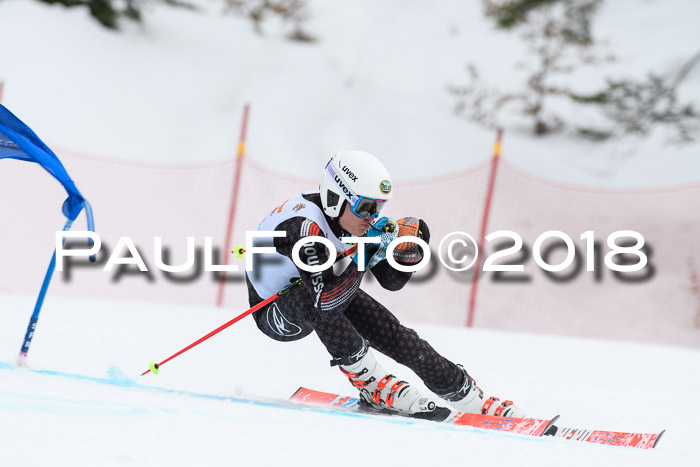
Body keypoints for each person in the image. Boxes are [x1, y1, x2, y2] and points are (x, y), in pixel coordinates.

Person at [245, 150, 525, 419]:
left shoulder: (352, 220)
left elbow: (390, 282)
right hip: (275, 313)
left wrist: (408, 253)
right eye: (366, 206)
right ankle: (372, 384)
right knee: (317, 298)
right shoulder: (303, 227)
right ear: (335, 198)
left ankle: (469, 398)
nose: (373, 216)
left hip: (319, 292)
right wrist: (365, 254)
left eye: (378, 206)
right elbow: (326, 302)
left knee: (391, 332)